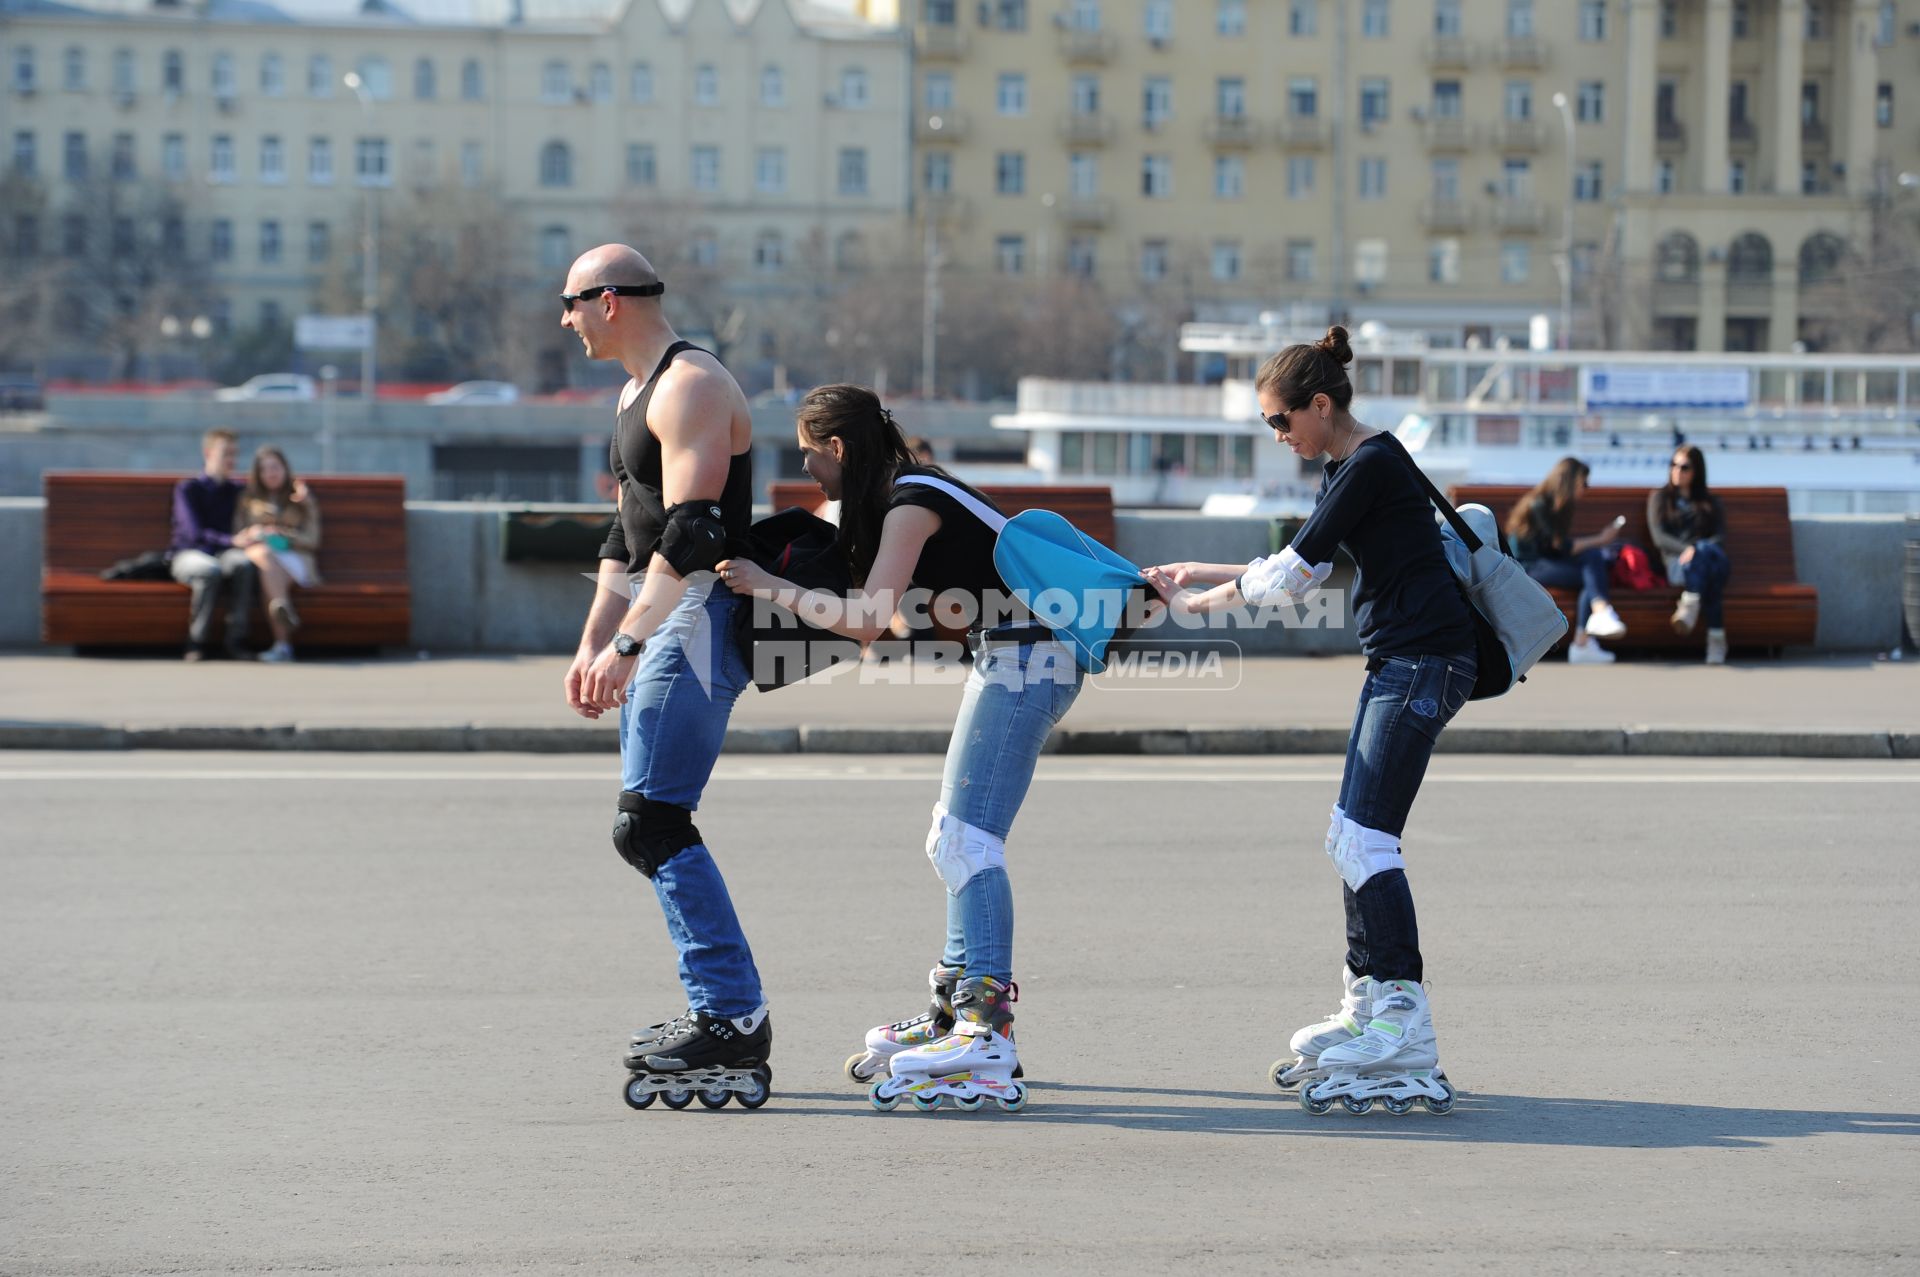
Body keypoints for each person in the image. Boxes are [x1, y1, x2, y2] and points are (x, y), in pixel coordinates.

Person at [717, 384, 1081, 1113]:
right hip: (1016, 651)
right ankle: (955, 1012)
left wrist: (768, 585)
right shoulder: (894, 495)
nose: (809, 471)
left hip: (1034, 654)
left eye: (810, 456)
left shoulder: (912, 501)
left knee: (968, 842)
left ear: (840, 449)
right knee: (954, 836)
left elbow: (866, 623)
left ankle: (985, 1031)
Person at [1142, 325, 1469, 1116]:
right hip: (1402, 660)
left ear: (1320, 404)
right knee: (1347, 834)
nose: (1278, 435)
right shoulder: (1350, 466)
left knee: (1367, 839)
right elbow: (1314, 560)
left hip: (1424, 661)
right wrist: (1202, 569)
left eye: (1280, 421)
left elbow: (1288, 578)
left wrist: (1194, 605)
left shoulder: (1372, 462)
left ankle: (1403, 1019)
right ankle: (1368, 1001)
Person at [558, 243, 772, 1111]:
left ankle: (732, 1014)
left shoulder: (691, 385)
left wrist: (631, 644)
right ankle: (720, 1006)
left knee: (651, 821)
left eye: (569, 304)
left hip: (700, 618)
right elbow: (628, 537)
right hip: (665, 618)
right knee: (647, 821)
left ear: (608, 300)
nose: (564, 321)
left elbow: (693, 537)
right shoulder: (632, 394)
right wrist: (592, 639)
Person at [1504, 457, 1628, 664]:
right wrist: (1602, 539)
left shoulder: (1558, 505)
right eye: (1584, 483)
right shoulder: (1540, 504)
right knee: (1592, 571)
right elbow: (1561, 547)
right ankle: (1588, 632)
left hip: (1545, 562)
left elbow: (1559, 549)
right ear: (1569, 481)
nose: (1585, 489)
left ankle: (1594, 624)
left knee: (1592, 561)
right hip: (1528, 566)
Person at [169, 428, 259, 661]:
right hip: (189, 554)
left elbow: (267, 502)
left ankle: (236, 640)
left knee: (244, 565)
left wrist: (302, 498)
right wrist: (232, 540)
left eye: (235, 454)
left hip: (225, 553)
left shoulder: (238, 491)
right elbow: (193, 534)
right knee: (209, 571)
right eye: (226, 453)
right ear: (208, 453)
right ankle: (196, 642)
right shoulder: (188, 489)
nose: (231, 460)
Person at [233, 446, 322, 664]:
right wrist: (254, 534)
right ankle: (282, 616)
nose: (271, 473)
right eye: (264, 469)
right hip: (262, 556)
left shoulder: (299, 497)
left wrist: (287, 533)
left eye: (275, 467)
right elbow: (237, 536)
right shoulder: (247, 499)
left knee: (268, 577)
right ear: (258, 474)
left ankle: (282, 643)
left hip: (295, 557)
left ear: (285, 468)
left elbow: (313, 540)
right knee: (264, 559)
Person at [1647, 444, 1731, 665]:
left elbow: (1720, 538)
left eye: (1684, 467)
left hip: (1712, 558)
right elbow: (1660, 538)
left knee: (1705, 554)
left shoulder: (1710, 502)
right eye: (1673, 465)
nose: (1677, 471)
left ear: (1696, 471)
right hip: (1678, 564)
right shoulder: (1660, 499)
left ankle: (1691, 602)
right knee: (1709, 576)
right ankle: (1716, 639)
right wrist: (1687, 550)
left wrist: (1698, 549)